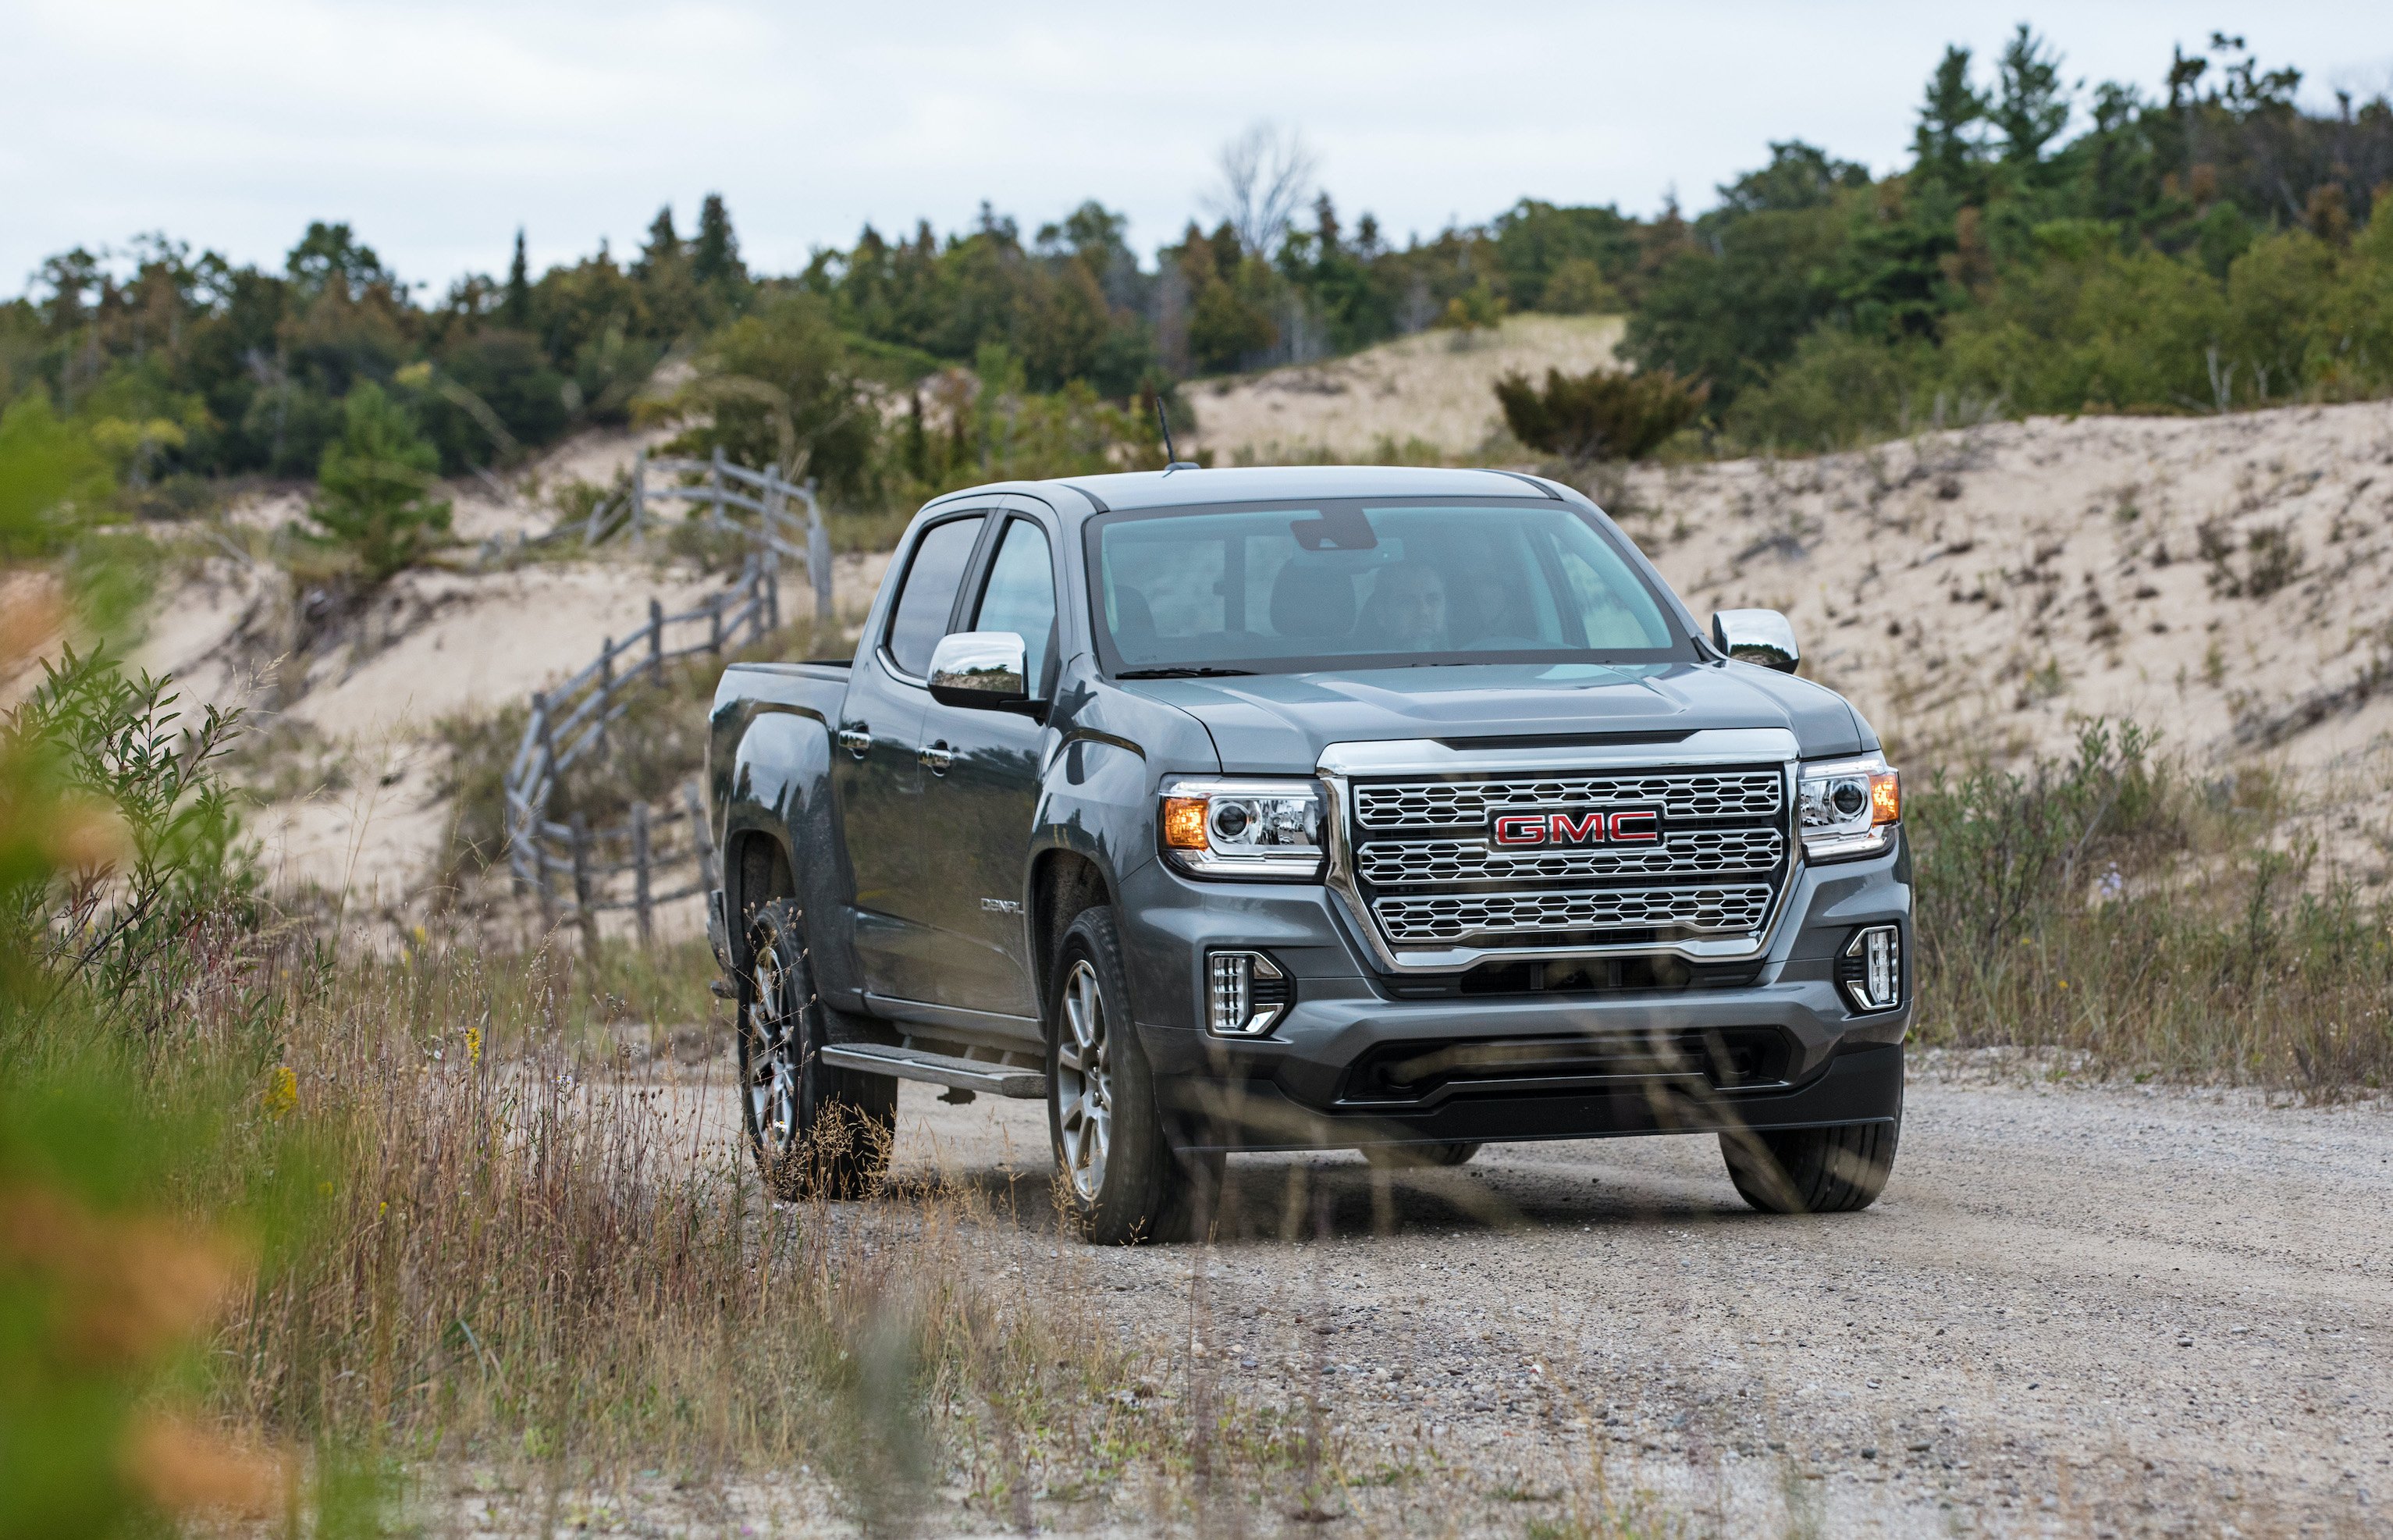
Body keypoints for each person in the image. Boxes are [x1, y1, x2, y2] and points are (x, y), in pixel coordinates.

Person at [1361, 561, 1450, 652]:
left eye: (1433, 599)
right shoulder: (1357, 664)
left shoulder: (1464, 656)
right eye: (1408, 603)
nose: (1424, 611)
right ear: (1382, 615)